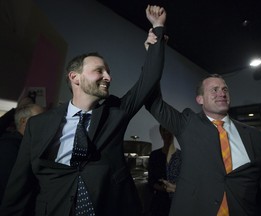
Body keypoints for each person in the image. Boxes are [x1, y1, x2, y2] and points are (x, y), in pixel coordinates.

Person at [0, 5, 166, 216]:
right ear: (74, 77)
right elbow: (20, 184)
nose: (108, 77)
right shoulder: (39, 124)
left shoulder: (115, 112)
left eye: (108, 71)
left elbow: (148, 80)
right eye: (99, 71)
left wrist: (158, 30)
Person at [144, 73, 261, 215]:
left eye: (225, 89)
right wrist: (153, 52)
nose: (222, 93)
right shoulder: (187, 124)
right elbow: (154, 103)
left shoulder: (254, 136)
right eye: (214, 89)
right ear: (200, 99)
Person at [0, 103, 45, 204]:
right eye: (40, 119)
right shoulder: (9, 147)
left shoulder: (31, 147)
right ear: (23, 121)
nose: (45, 124)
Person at [148, 125, 181, 216]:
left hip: (177, 203)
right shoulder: (154, 155)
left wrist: (174, 188)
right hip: (159, 203)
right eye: (164, 130)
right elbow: (151, 181)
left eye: (170, 130)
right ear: (161, 134)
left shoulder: (182, 156)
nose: (167, 133)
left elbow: (187, 182)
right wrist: (162, 188)